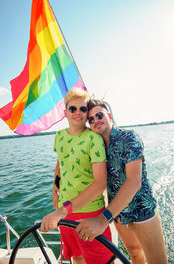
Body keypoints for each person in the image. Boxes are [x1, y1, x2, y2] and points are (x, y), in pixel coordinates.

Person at [76, 99, 168, 264]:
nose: (96, 120)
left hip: (141, 209)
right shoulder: (96, 147)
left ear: (109, 116)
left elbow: (134, 181)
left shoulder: (128, 137)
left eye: (99, 115)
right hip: (118, 213)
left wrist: (103, 219)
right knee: (134, 253)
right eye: (91, 119)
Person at [40, 89, 114, 264]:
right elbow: (61, 162)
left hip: (88, 213)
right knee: (76, 257)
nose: (78, 113)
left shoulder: (93, 139)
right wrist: (55, 189)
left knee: (99, 261)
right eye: (73, 109)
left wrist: (61, 211)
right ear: (65, 113)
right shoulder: (59, 136)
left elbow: (100, 183)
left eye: (83, 109)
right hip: (65, 211)